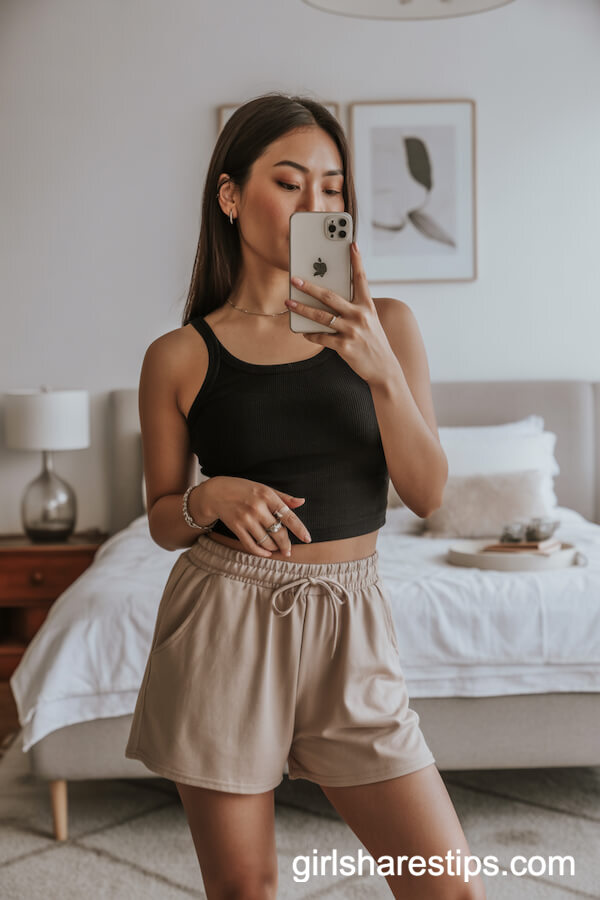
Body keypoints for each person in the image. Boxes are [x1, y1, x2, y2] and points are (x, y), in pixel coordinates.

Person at [125, 93, 486, 900]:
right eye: (290, 183)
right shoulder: (179, 354)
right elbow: (159, 517)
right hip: (227, 618)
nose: (315, 206)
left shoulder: (386, 322)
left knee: (448, 886)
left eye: (332, 187)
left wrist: (380, 367)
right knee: (246, 890)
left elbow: (426, 494)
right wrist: (206, 496)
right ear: (230, 196)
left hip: (352, 620)